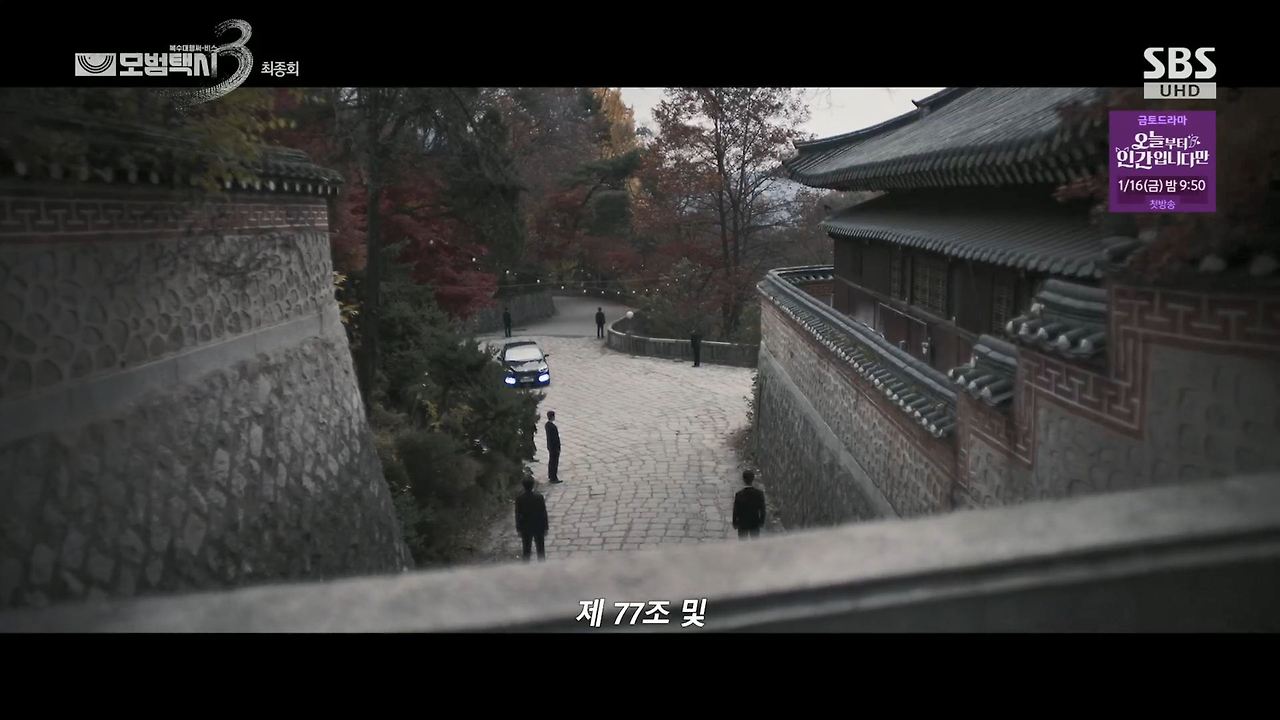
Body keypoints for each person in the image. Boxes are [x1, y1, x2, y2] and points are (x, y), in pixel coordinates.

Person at [514, 477, 549, 561]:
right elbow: (543, 512)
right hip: (538, 525)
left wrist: (518, 528)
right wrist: (546, 527)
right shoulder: (539, 497)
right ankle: (542, 564)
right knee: (540, 548)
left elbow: (518, 514)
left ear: (523, 486)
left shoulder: (519, 498)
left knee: (526, 548)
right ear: (533, 485)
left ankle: (526, 565)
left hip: (526, 526)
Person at [732, 470, 766, 540]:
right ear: (753, 479)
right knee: (755, 542)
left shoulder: (739, 494)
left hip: (742, 523)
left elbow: (736, 510)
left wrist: (735, 522)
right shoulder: (759, 494)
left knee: (743, 542)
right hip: (754, 522)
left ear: (743, 479)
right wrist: (761, 521)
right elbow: (762, 509)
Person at [545, 410, 561, 484]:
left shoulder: (547, 425)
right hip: (554, 447)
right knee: (554, 463)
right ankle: (553, 477)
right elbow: (555, 438)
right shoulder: (553, 427)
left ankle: (550, 475)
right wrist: (558, 447)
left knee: (551, 462)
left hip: (550, 446)